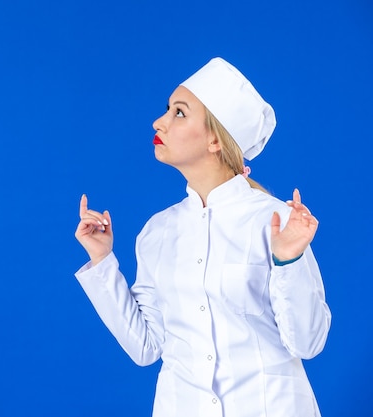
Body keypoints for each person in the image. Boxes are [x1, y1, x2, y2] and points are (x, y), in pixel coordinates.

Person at [73, 57, 331, 417]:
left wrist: (290, 261)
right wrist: (102, 261)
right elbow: (146, 346)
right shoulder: (157, 231)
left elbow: (308, 342)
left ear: (214, 139)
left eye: (179, 113)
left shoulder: (275, 221)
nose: (158, 121)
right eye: (167, 110)